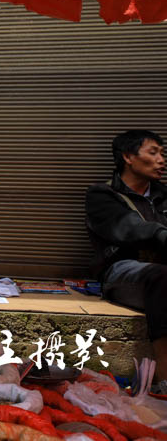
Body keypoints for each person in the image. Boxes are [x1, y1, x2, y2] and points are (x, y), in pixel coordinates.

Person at [86, 129, 167, 394]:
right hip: (122, 272)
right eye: (153, 153)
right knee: (162, 278)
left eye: (162, 153)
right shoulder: (102, 196)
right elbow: (130, 229)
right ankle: (164, 377)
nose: (161, 160)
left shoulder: (162, 196)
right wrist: (160, 232)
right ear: (129, 157)